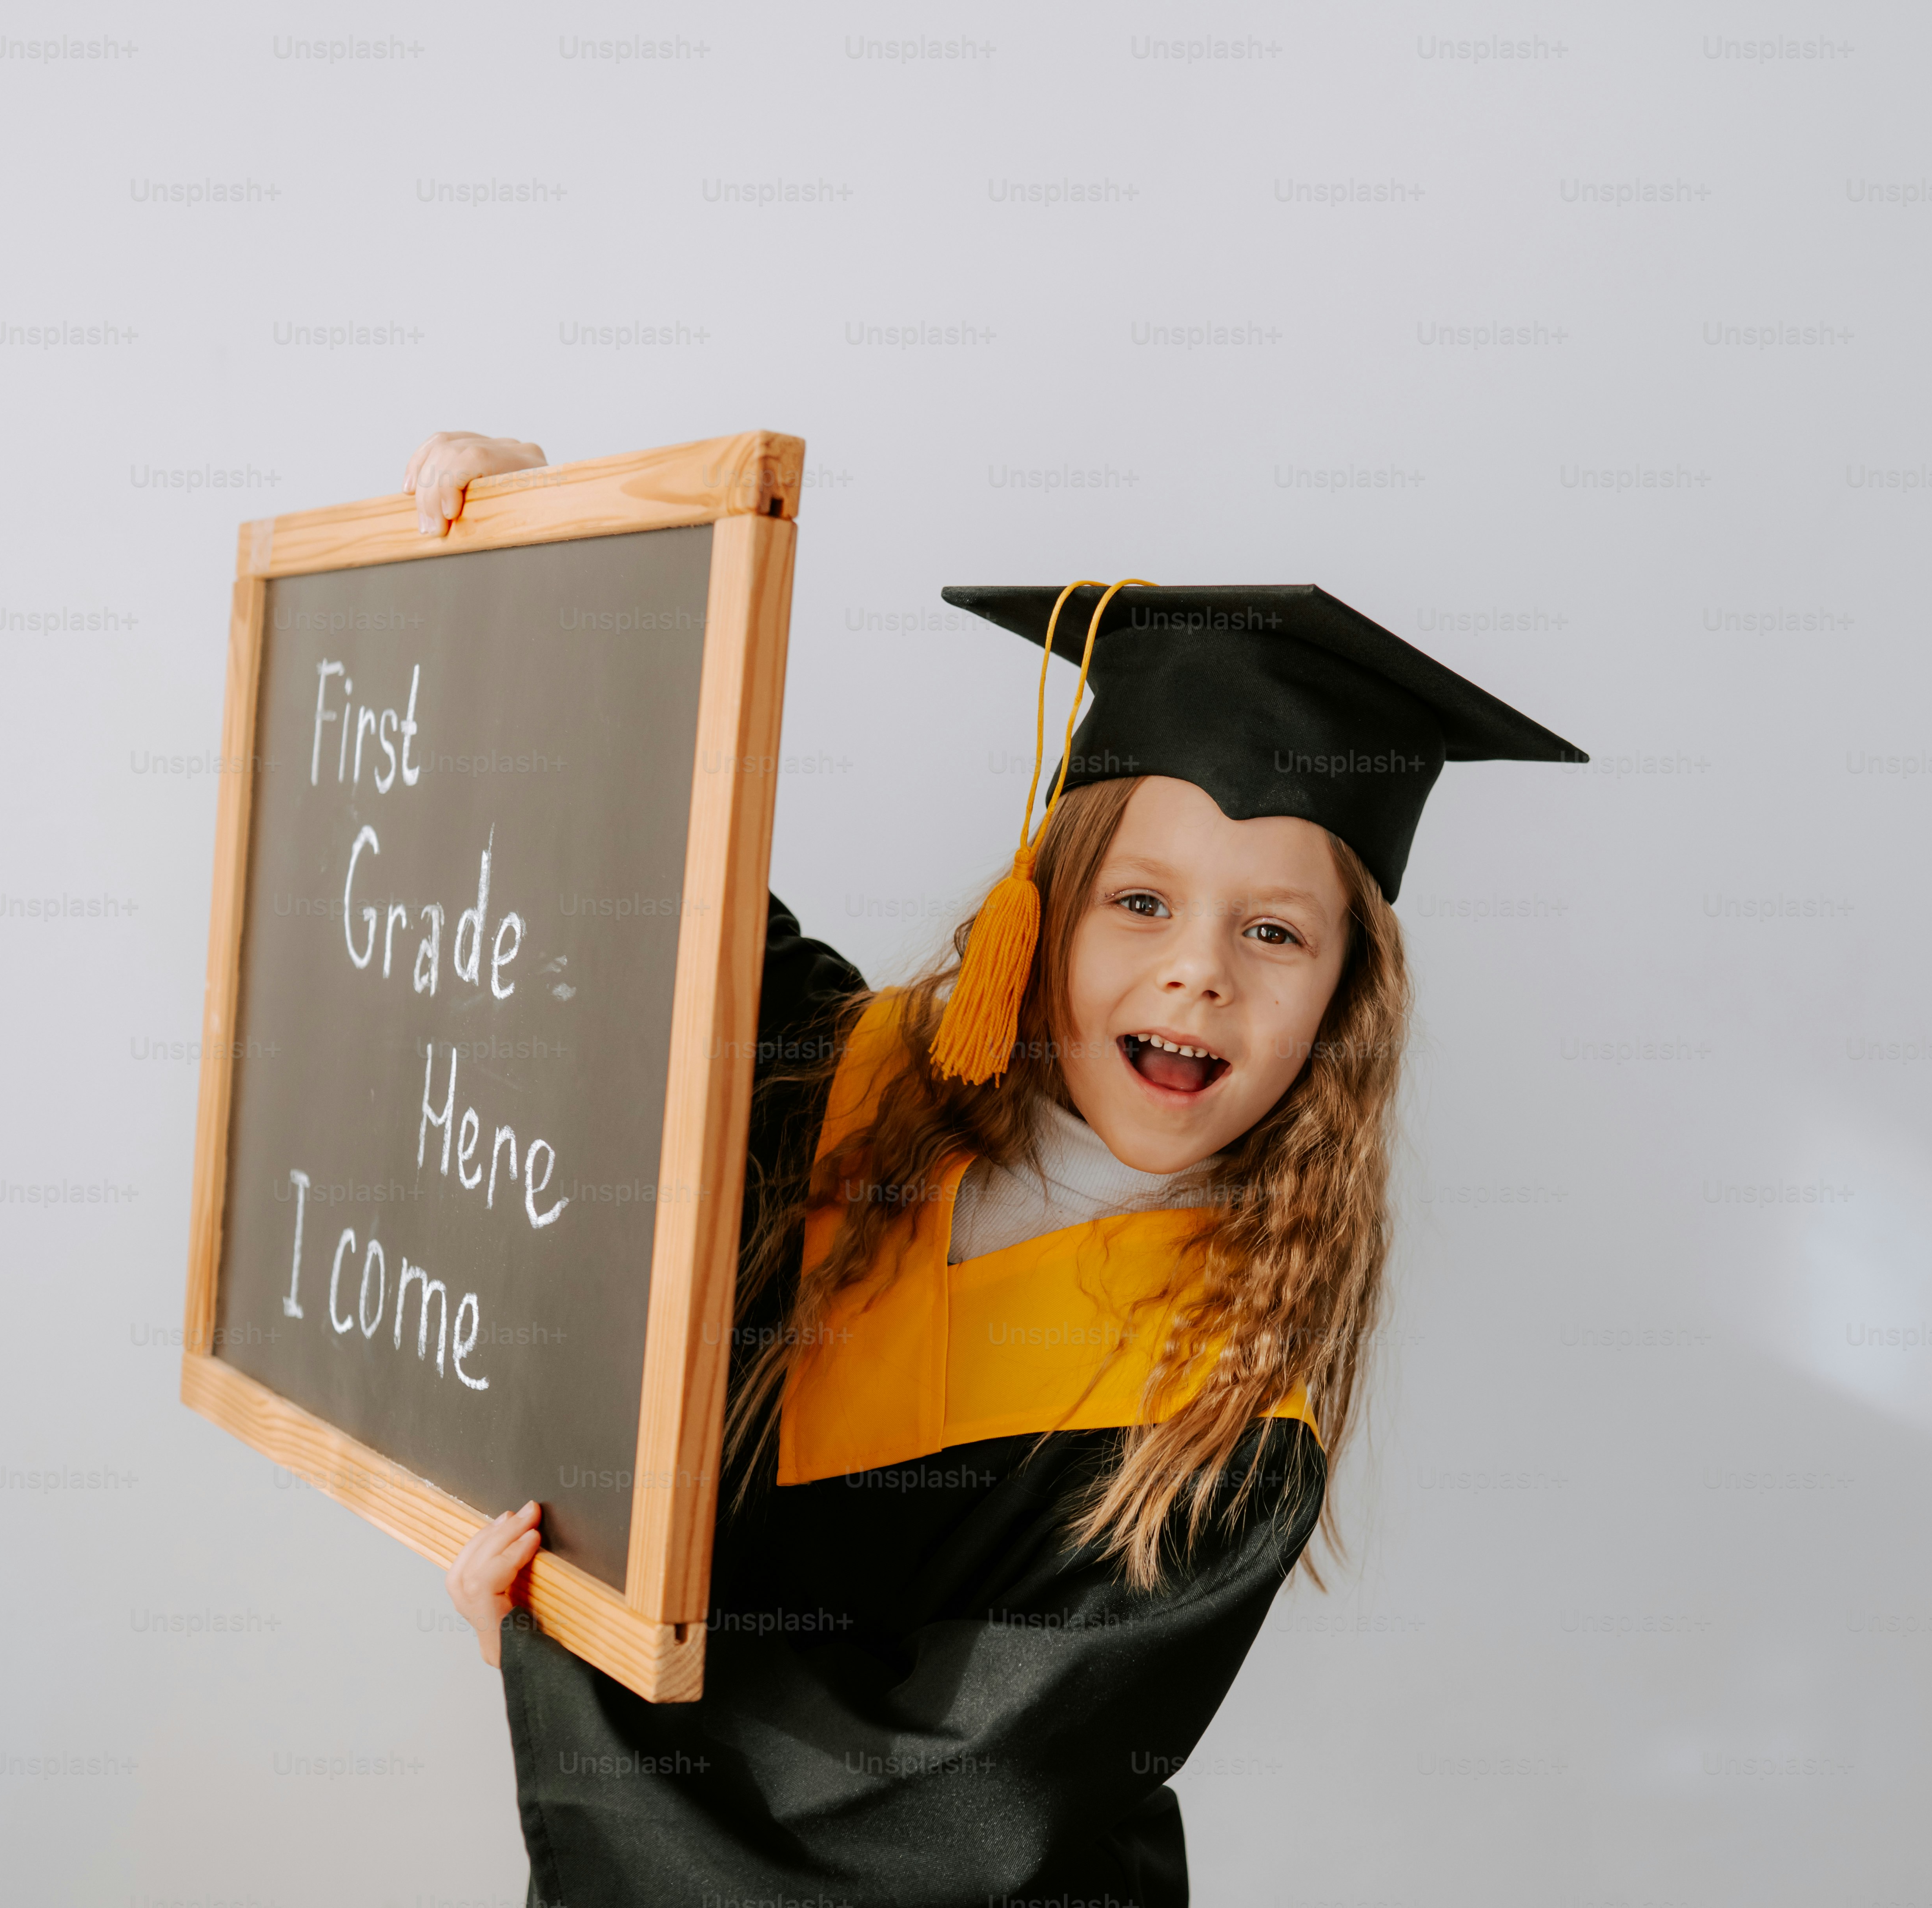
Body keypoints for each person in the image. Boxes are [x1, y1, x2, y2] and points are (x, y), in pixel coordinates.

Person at [409, 431, 1584, 1906]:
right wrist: (536, 552)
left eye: (1274, 933)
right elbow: (647, 868)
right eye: (1138, 902)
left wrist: (561, 1651)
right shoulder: (843, 1085)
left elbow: (951, 1810)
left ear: (1343, 1004)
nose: (1198, 974)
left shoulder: (1225, 1413)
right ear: (1037, 919)